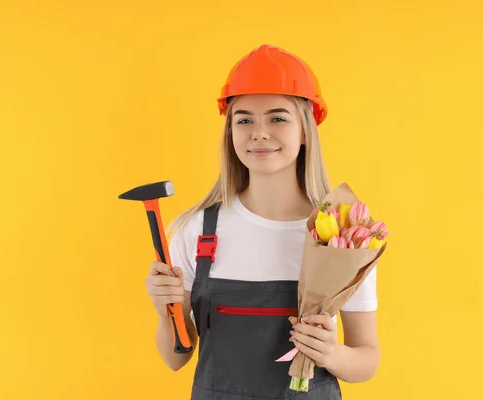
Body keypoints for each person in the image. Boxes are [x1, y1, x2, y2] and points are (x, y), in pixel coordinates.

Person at [144, 44, 380, 399]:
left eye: (277, 118)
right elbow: (175, 358)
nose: (259, 132)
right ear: (230, 132)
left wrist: (332, 354)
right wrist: (167, 313)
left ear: (305, 130)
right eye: (244, 120)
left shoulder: (340, 237)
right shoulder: (195, 230)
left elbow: (367, 359)